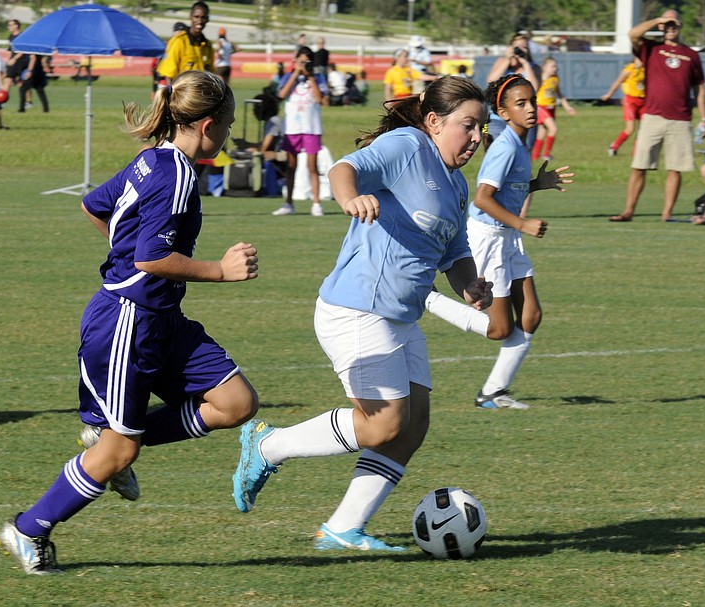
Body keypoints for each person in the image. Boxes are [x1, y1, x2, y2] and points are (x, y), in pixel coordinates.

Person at [0, 70, 261, 575]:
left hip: (161, 317)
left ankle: (116, 439)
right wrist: (220, 271)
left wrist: (128, 259)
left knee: (235, 402)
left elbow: (94, 206)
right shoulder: (176, 174)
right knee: (118, 455)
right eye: (226, 126)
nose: (227, 136)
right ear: (207, 125)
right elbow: (150, 258)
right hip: (128, 324)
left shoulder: (152, 161)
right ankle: (28, 529)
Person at [232, 76, 494, 551]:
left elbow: (455, 255)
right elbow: (343, 169)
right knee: (383, 424)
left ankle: (342, 528)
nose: (476, 138)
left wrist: (470, 286)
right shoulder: (408, 146)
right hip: (357, 309)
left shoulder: (456, 185)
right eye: (468, 126)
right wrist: (350, 198)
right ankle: (268, 445)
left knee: (413, 427)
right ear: (434, 122)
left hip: (399, 317)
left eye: (482, 128)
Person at [425, 74, 573, 410]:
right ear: (503, 113)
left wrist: (536, 184)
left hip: (508, 237)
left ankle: (493, 392)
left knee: (531, 316)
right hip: (489, 237)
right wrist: (523, 222)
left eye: (533, 101)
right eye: (521, 104)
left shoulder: (519, 144)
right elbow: (482, 198)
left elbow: (507, 191)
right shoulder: (505, 146)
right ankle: (428, 299)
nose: (531, 108)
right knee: (499, 329)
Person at [609, 10, 705, 223]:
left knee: (675, 168)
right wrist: (657, 21)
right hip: (653, 116)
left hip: (680, 119)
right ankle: (628, 211)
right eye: (667, 24)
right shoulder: (651, 49)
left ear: (680, 25)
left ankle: (667, 213)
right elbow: (633, 34)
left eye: (674, 23)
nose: (671, 27)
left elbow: (699, 89)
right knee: (639, 165)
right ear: (662, 27)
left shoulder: (691, 55)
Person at [271, 46, 329, 217]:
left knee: (312, 166)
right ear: (295, 61)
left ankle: (316, 203)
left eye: (306, 62)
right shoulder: (289, 77)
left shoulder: (318, 77)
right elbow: (281, 94)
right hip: (292, 128)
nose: (303, 65)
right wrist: (296, 74)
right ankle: (288, 202)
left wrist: (310, 77)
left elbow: (320, 99)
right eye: (300, 61)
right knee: (291, 166)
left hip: (311, 127)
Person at [531, 57, 576, 162]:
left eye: (556, 66)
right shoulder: (540, 79)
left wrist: (567, 107)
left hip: (551, 107)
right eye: (552, 66)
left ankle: (535, 156)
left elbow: (559, 94)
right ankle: (546, 154)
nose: (555, 68)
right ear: (544, 67)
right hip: (541, 107)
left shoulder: (555, 79)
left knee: (542, 132)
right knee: (553, 129)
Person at [157, 2, 213, 81]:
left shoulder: (207, 45)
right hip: (182, 91)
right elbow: (169, 74)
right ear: (190, 17)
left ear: (207, 19)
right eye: (196, 17)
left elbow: (211, 74)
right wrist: (171, 92)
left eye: (203, 17)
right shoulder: (179, 41)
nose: (200, 21)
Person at [601, 58, 646, 157]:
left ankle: (636, 154)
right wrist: (609, 94)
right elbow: (618, 82)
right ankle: (614, 147)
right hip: (630, 101)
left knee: (643, 129)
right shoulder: (629, 69)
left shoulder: (646, 70)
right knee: (630, 129)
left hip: (643, 101)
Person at [3, 20, 29, 94]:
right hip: (13, 62)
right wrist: (8, 60)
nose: (9, 27)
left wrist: (14, 59)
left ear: (16, 26)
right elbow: (11, 50)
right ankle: (3, 101)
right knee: (8, 80)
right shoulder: (11, 37)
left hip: (21, 61)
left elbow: (23, 50)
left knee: (21, 83)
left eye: (10, 25)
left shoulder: (22, 36)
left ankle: (28, 102)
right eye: (8, 25)